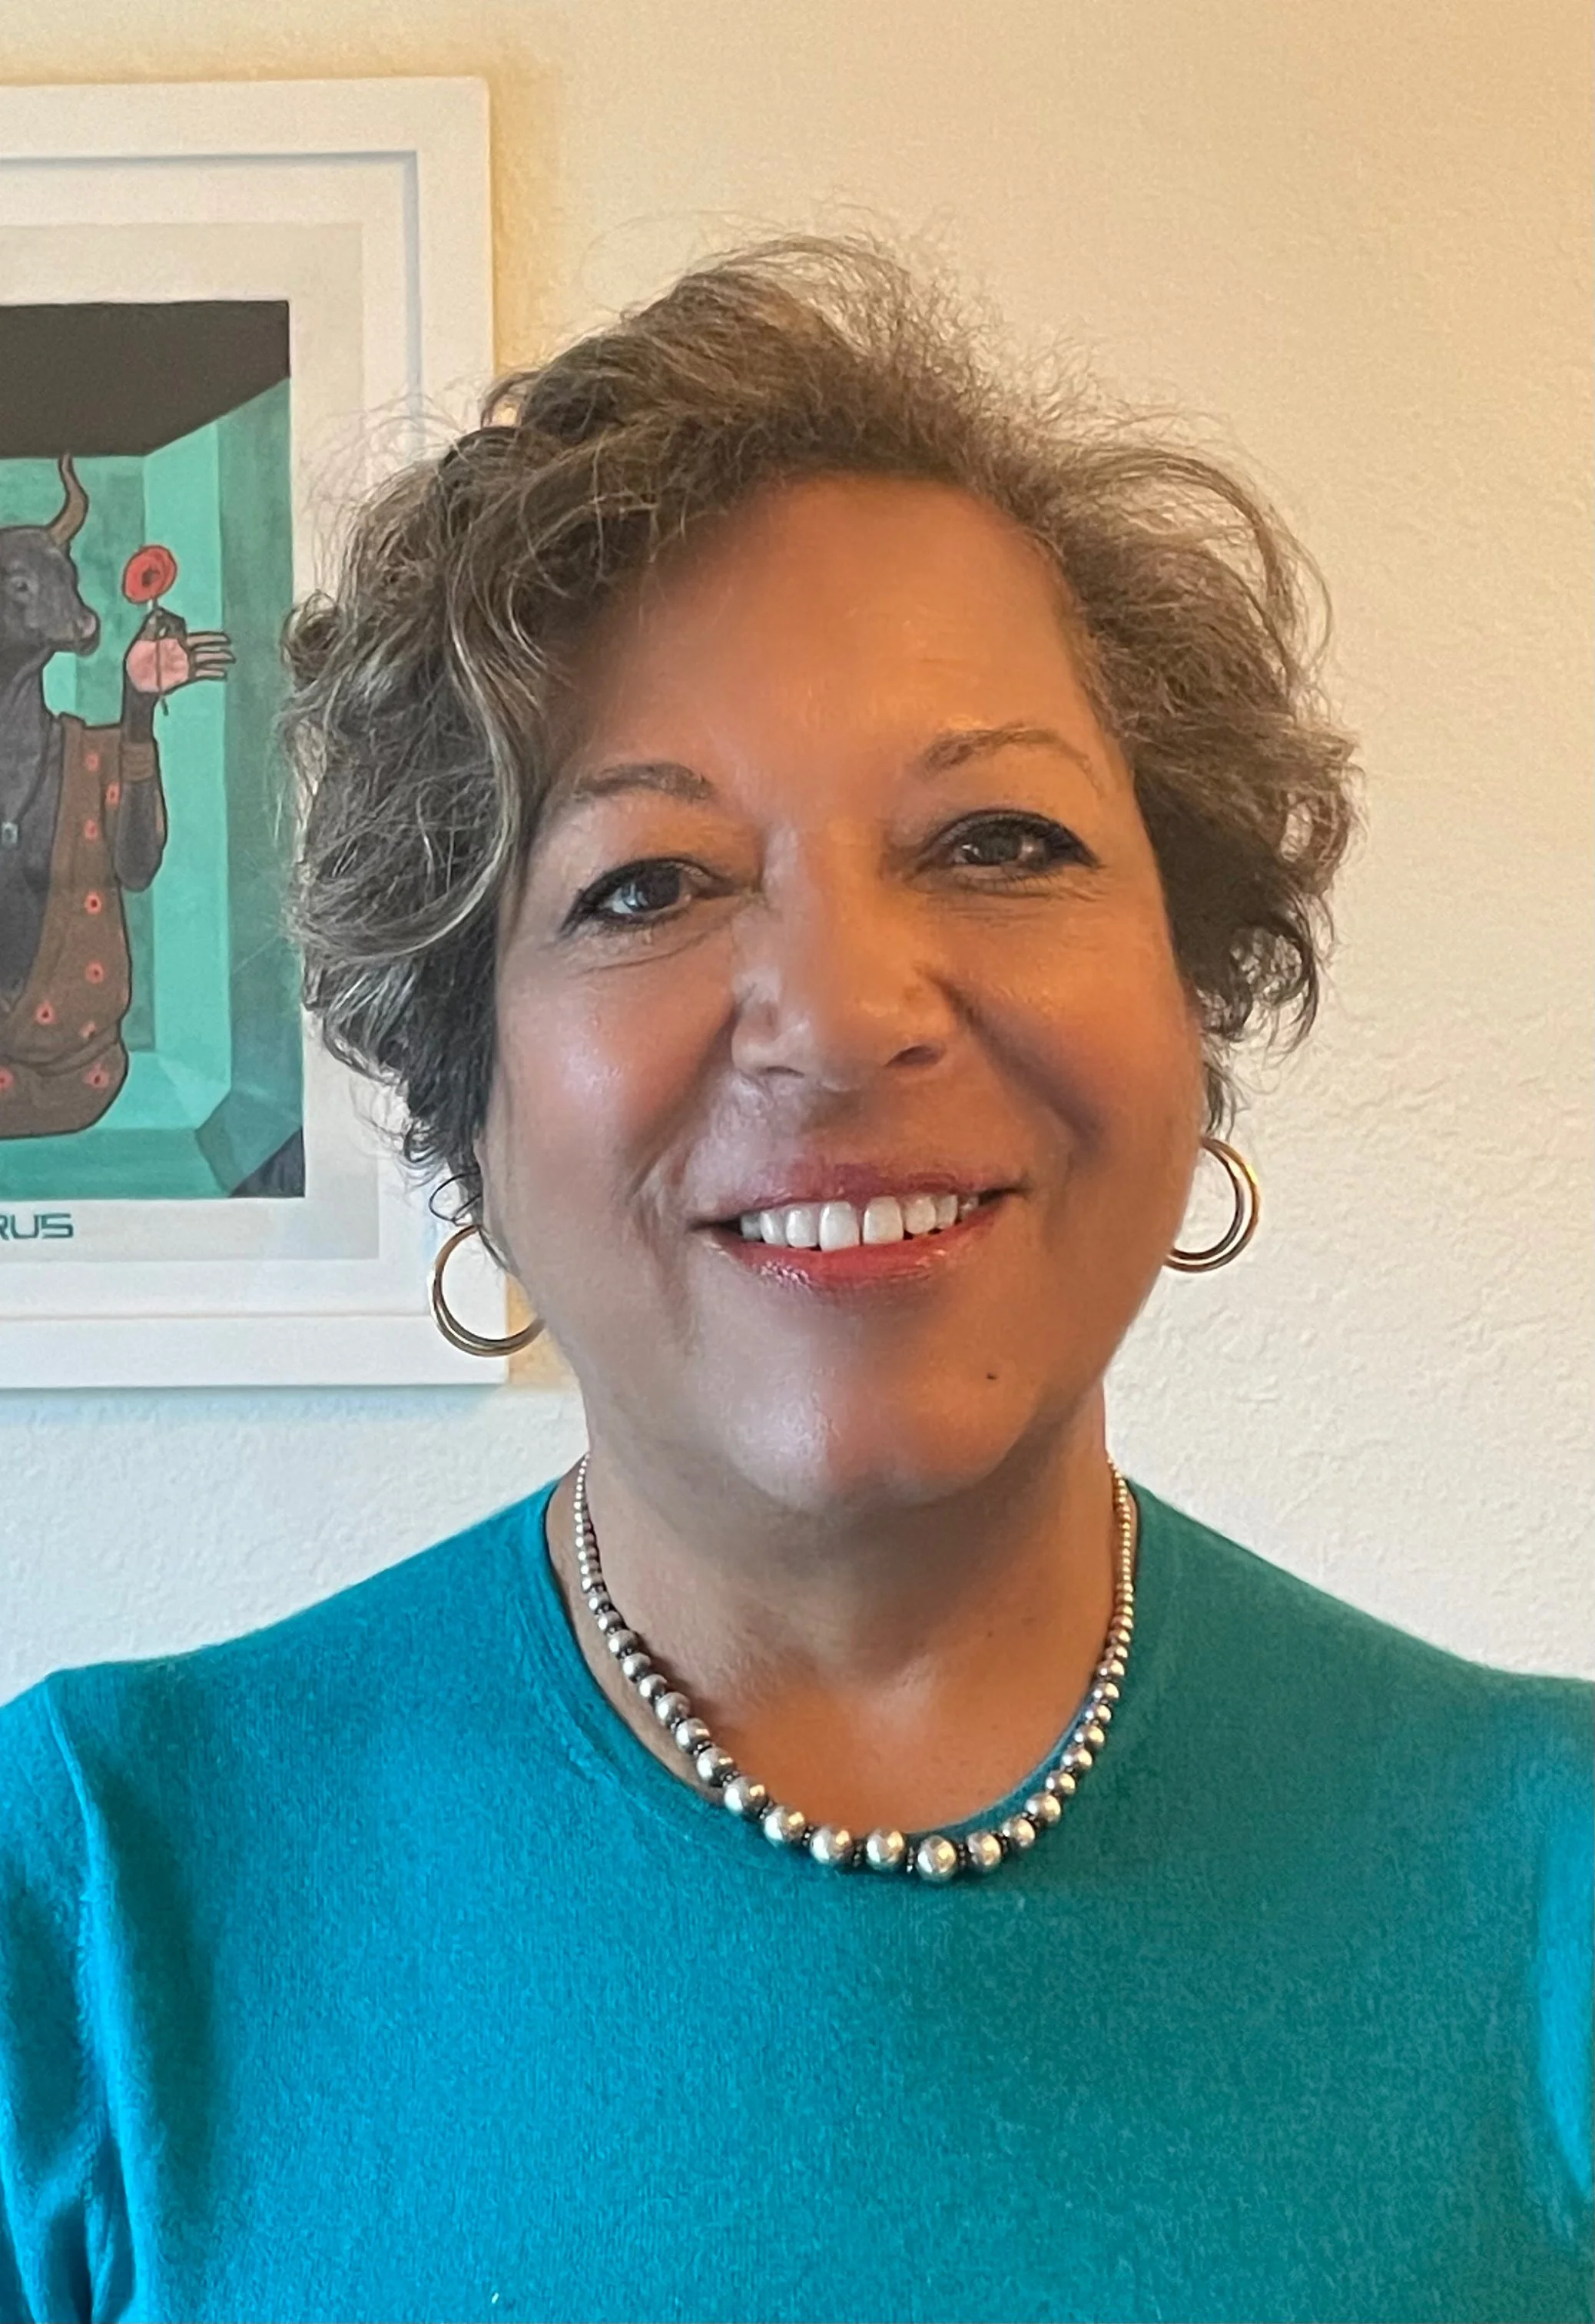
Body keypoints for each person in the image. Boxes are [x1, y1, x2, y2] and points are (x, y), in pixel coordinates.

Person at [0, 240, 1587, 2324]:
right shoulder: (102, 1915)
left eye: (1000, 841)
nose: (838, 1018)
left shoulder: (1546, 1883)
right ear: (468, 1098)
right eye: (643, 883)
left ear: (1188, 1005)